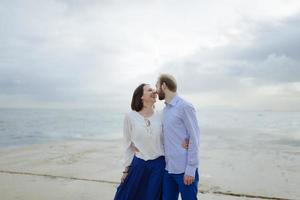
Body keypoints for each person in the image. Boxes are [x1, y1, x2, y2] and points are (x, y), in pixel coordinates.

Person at [114, 83, 165, 200]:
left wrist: (185, 141)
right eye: (150, 90)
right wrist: (126, 170)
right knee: (127, 196)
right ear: (141, 96)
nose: (155, 92)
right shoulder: (130, 117)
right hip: (139, 164)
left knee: (152, 197)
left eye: (154, 90)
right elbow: (127, 144)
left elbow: (171, 136)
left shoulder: (162, 115)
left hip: (159, 165)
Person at [156, 74, 200, 200]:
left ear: (164, 86)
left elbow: (194, 137)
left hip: (184, 169)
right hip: (168, 169)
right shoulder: (165, 111)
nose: (156, 90)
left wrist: (191, 168)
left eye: (157, 86)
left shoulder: (185, 106)